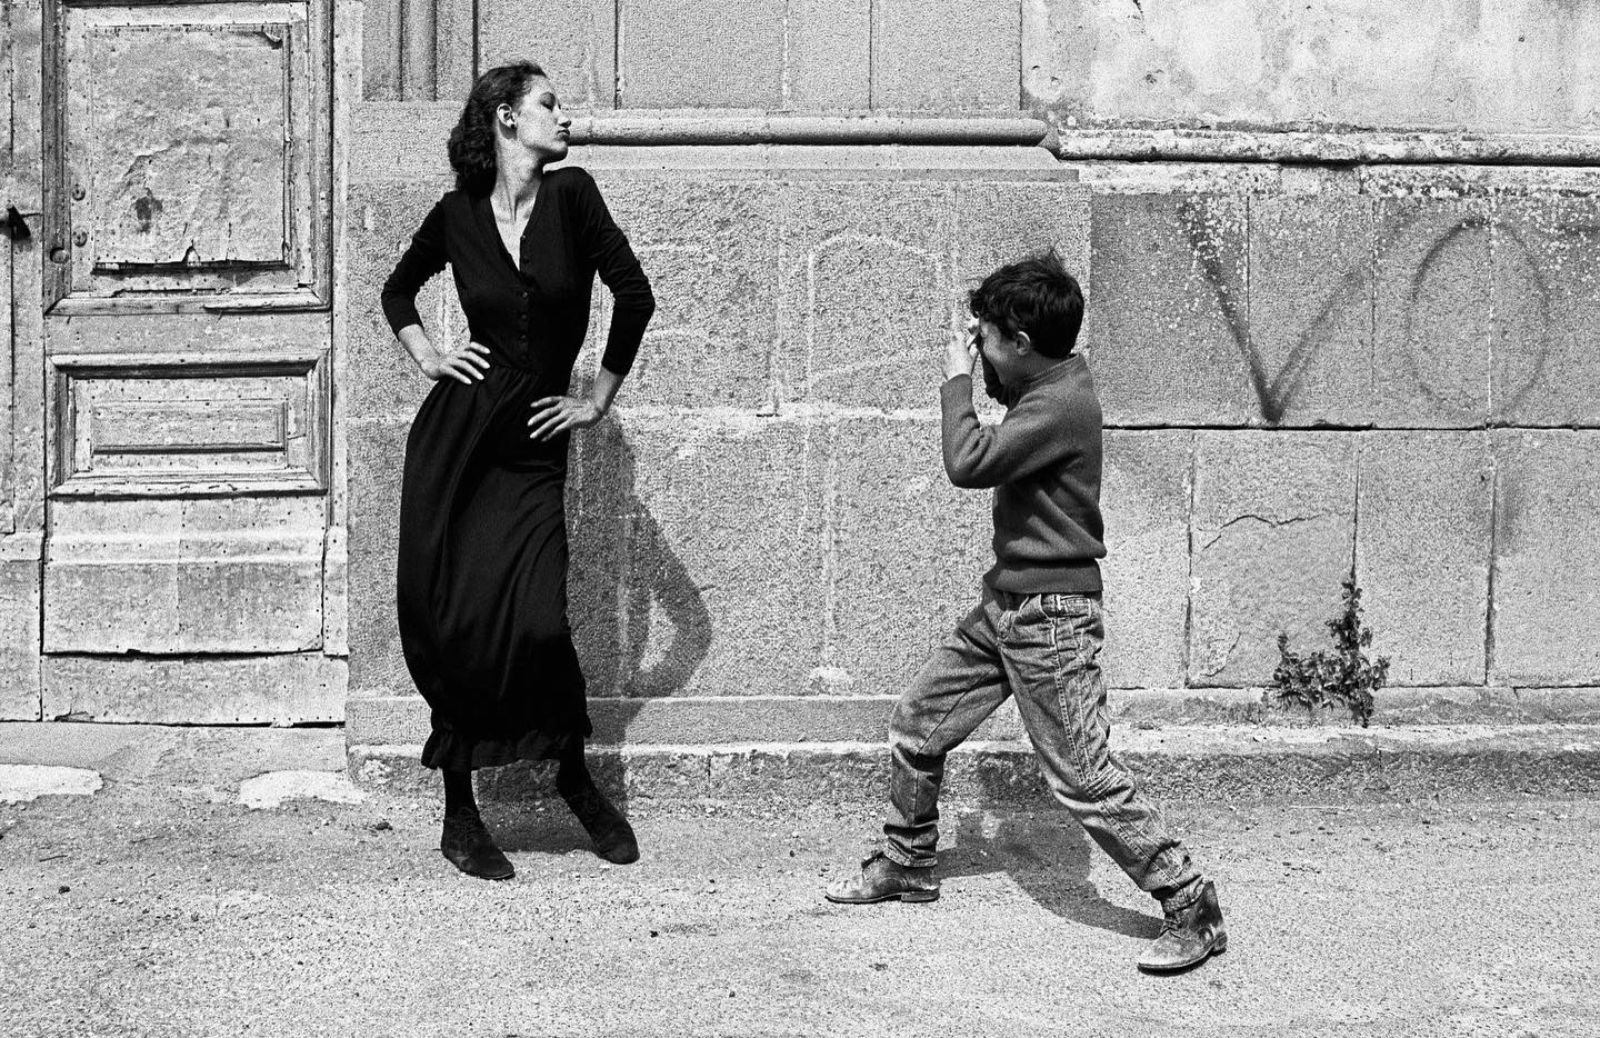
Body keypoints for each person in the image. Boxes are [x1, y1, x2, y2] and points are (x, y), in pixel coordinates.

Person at [822, 250, 1227, 973]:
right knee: (918, 723)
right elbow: (1003, 418)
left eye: (988, 342)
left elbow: (968, 462)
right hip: (1006, 605)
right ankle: (908, 861)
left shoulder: (1061, 404)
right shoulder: (1047, 383)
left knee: (1083, 776)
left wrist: (954, 378)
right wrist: (981, 360)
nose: (980, 353)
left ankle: (1189, 902)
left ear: (1020, 344)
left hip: (1051, 618)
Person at [380, 61, 655, 880]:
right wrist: (430, 355)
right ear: (506, 118)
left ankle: (571, 774)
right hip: (456, 444)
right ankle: (459, 813)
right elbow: (397, 291)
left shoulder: (574, 197)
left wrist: (596, 399)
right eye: (549, 104)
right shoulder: (458, 213)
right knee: (454, 620)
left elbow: (634, 295)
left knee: (537, 618)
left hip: (533, 442)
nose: (566, 118)